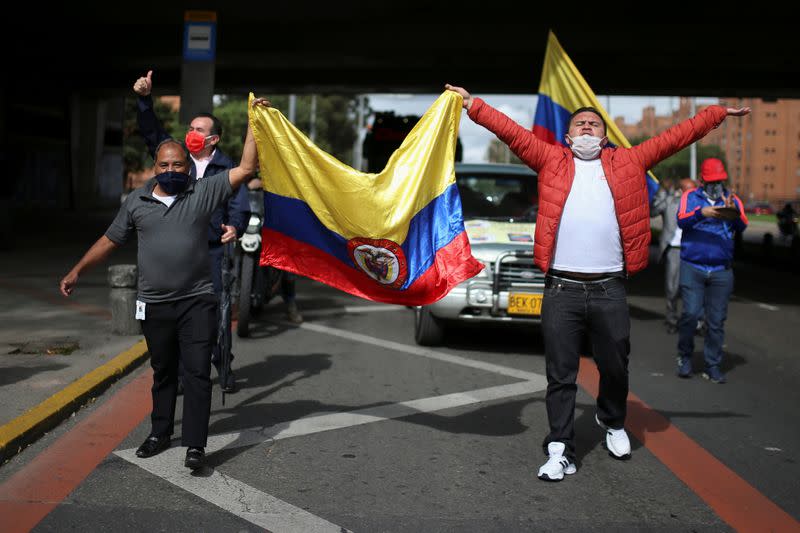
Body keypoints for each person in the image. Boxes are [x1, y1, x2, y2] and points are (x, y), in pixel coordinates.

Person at [445, 83, 749, 482]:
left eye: (594, 123)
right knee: (561, 373)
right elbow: (511, 131)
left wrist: (714, 115)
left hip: (608, 288)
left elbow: (676, 137)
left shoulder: (629, 161)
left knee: (615, 366)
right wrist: (474, 105)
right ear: (568, 135)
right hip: (561, 289)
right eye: (580, 123)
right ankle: (560, 449)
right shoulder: (550, 159)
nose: (587, 127)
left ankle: (613, 421)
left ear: (604, 135)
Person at [60, 95, 269, 470]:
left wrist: (255, 121)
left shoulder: (203, 192)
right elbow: (110, 241)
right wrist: (77, 270)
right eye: (164, 164)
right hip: (154, 304)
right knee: (163, 372)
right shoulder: (137, 201)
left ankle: (195, 445)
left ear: (189, 169)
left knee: (197, 372)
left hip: (197, 301)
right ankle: (159, 432)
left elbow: (247, 166)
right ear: (154, 167)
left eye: (178, 164)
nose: (171, 168)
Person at [134, 70, 248, 393]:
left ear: (214, 139)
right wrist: (144, 100)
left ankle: (222, 364)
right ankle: (185, 373)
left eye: (199, 130)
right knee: (182, 314)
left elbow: (238, 201)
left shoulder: (225, 167)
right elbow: (151, 132)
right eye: (190, 128)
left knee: (216, 314)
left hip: (213, 249)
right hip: (181, 248)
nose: (191, 133)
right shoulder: (176, 158)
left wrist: (235, 226)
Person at [676, 158, 748, 383]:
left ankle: (713, 364)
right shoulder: (691, 197)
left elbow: (743, 224)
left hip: (720, 270)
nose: (715, 185)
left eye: (719, 180)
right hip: (693, 266)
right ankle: (685, 357)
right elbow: (681, 220)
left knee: (716, 320)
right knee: (690, 314)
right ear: (702, 180)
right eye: (711, 181)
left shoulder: (732, 199)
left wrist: (731, 210)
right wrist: (702, 212)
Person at [650, 177, 696, 333]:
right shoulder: (670, 201)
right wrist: (662, 191)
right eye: (689, 189)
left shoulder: (698, 205)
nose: (692, 192)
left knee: (694, 287)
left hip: (693, 249)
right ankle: (671, 318)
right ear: (681, 190)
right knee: (672, 287)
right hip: (674, 249)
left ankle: (696, 321)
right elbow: (653, 211)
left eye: (694, 189)